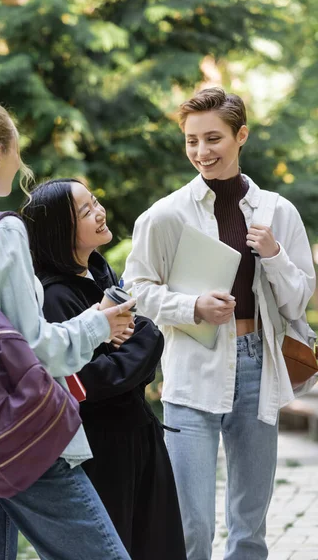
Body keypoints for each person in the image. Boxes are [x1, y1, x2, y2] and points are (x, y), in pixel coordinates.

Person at [0, 92, 136, 560]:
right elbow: (37, 348)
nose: (19, 164)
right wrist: (98, 323)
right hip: (21, 442)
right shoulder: (1, 230)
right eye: (15, 151)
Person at [122, 87, 316, 560]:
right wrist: (192, 308)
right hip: (192, 369)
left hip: (258, 368)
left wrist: (272, 255)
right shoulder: (165, 216)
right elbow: (136, 291)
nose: (201, 152)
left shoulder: (277, 212)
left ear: (240, 135)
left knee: (250, 525)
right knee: (192, 524)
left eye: (213, 139)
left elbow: (298, 301)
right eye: (192, 141)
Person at [22, 178, 187, 560]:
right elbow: (86, 381)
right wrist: (146, 337)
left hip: (140, 434)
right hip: (103, 448)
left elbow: (132, 368)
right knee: (119, 546)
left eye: (95, 201)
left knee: (159, 545)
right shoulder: (55, 297)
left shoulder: (101, 276)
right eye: (85, 211)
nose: (99, 212)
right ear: (60, 231)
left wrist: (137, 343)